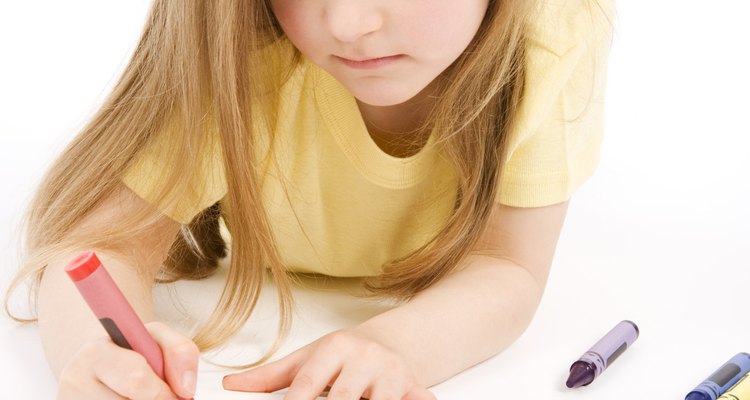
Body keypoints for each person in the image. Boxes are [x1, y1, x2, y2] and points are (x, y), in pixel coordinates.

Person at [4, 0, 615, 398]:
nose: (348, 22)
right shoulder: (239, 41)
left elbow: (508, 264)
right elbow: (98, 245)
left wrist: (397, 345)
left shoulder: (553, 30)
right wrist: (95, 352)